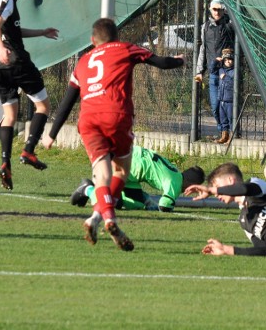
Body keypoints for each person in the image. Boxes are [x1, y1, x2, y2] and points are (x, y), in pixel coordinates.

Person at [46, 18, 184, 251]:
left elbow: (68, 101)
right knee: (120, 170)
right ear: (116, 37)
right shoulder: (125, 48)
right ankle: (106, 219)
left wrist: (52, 134)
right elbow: (160, 62)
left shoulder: (83, 61)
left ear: (93, 41)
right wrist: (179, 61)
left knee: (102, 173)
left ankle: (99, 219)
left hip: (88, 120)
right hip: (115, 115)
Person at [0, 0, 59, 190]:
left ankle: (5, 164)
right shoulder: (7, 1)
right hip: (16, 61)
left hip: (0, 66)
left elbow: (10, 30)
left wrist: (41, 32)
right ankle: (28, 150)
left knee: (9, 116)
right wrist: (1, 47)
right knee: (43, 106)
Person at [70, 144, 205, 212]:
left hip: (133, 160)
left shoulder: (175, 172)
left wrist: (146, 199)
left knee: (138, 204)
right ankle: (87, 189)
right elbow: (164, 206)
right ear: (192, 184)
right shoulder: (176, 184)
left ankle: (93, 190)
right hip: (131, 166)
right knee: (109, 202)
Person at [194, 0, 235, 141]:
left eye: (220, 9)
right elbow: (203, 49)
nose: (217, 12)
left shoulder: (230, 25)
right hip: (213, 72)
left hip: (229, 73)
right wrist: (199, 71)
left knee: (228, 106)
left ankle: (230, 132)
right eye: (214, 9)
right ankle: (223, 131)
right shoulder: (205, 27)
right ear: (210, 9)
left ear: (224, 10)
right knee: (215, 106)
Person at [216, 48, 235, 144]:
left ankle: (232, 137)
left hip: (230, 100)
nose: (228, 61)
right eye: (226, 60)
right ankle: (224, 136)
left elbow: (234, 84)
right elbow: (212, 68)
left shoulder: (234, 71)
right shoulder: (221, 70)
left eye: (230, 59)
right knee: (223, 119)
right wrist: (215, 61)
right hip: (221, 99)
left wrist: (225, 77)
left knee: (231, 119)